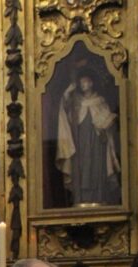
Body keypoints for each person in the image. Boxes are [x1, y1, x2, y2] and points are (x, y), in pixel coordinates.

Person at [56, 68, 120, 206]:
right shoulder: (76, 101)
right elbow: (66, 109)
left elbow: (109, 120)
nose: (83, 85)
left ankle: (99, 197)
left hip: (97, 142)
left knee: (97, 167)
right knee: (82, 168)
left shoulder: (100, 100)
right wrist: (67, 92)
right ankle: (81, 198)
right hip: (81, 143)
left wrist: (105, 128)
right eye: (81, 82)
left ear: (91, 83)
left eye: (85, 82)